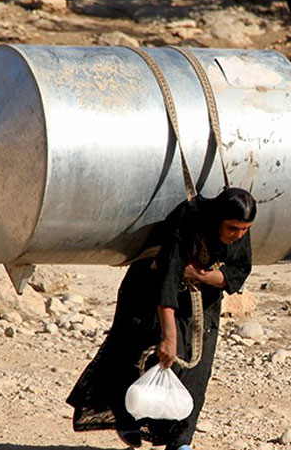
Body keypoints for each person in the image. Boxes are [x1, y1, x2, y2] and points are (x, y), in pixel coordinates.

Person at [67, 187, 256, 450]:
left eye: (245, 229)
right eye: (233, 228)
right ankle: (127, 417)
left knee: (196, 371)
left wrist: (200, 275)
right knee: (141, 355)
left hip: (202, 301)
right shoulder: (188, 218)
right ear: (218, 219)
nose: (239, 235)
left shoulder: (238, 231)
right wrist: (169, 336)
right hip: (149, 292)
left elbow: (240, 270)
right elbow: (169, 275)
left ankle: (180, 442)